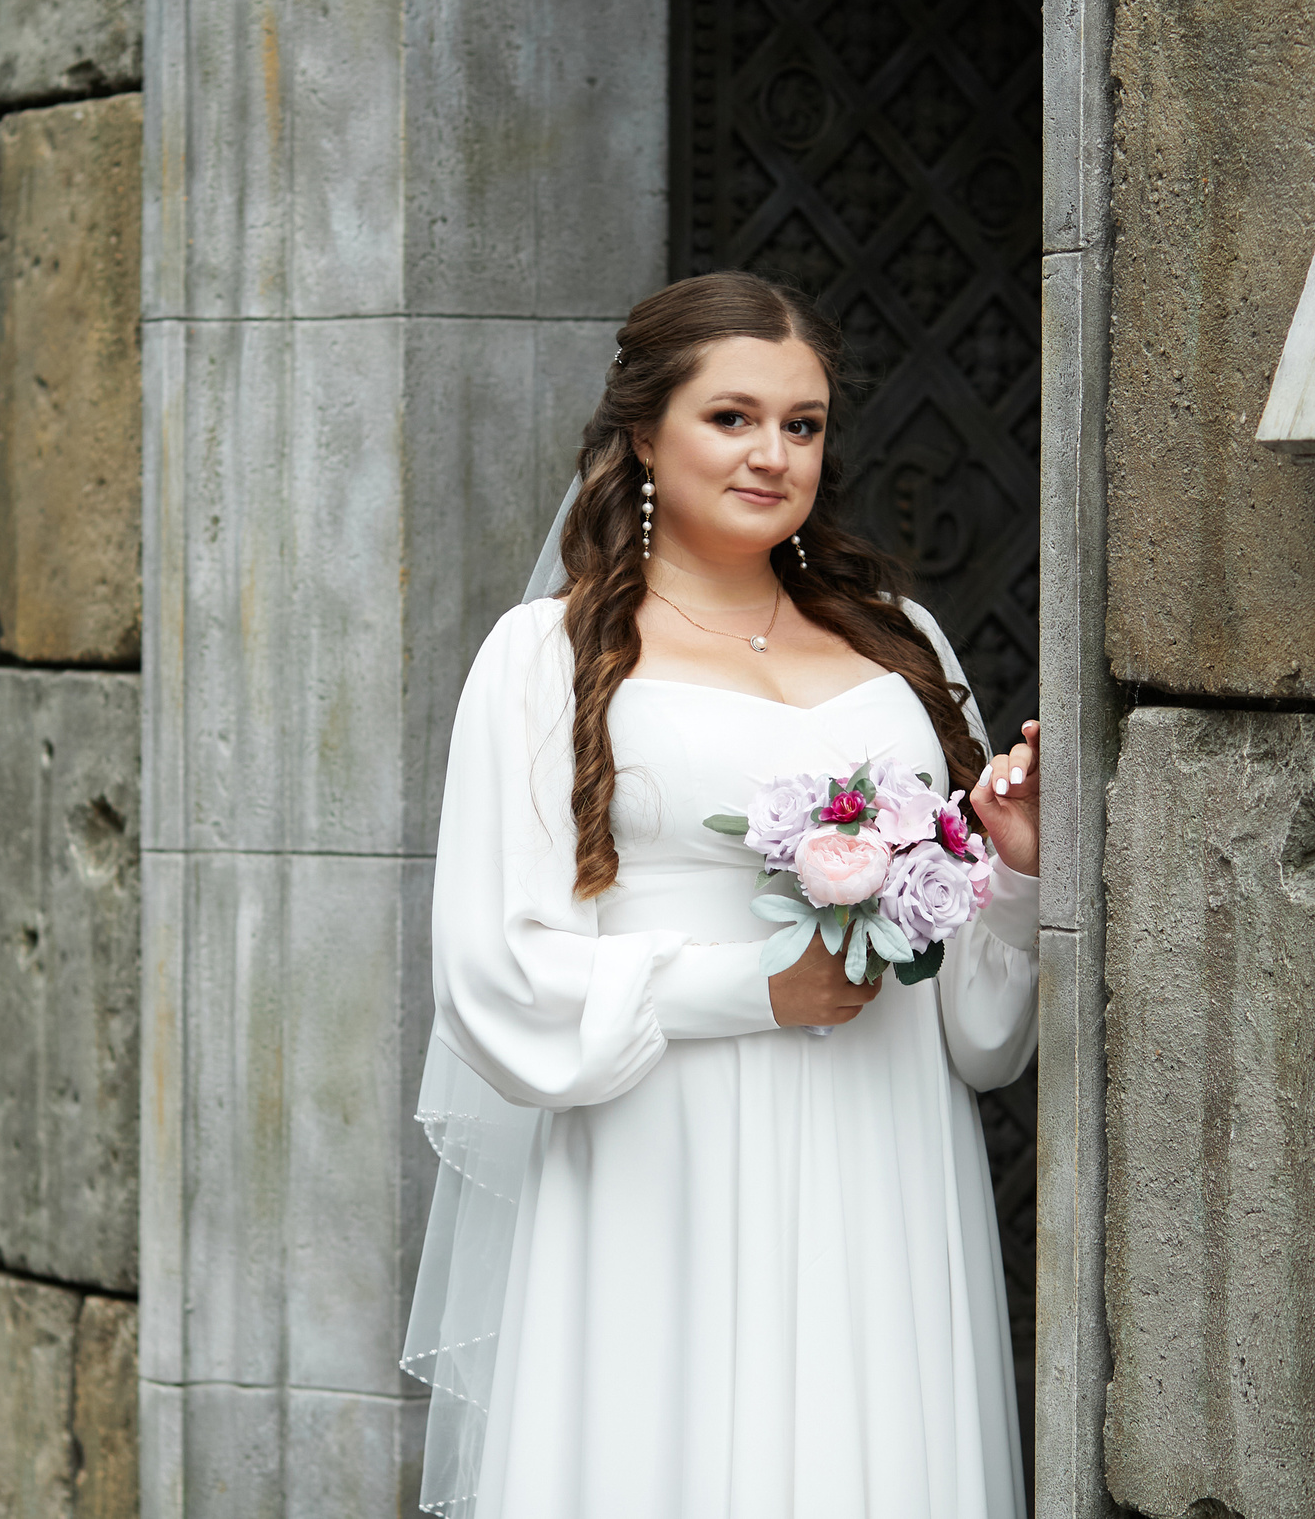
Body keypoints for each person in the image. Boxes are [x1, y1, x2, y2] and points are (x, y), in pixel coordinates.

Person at [403, 272, 1042, 1518]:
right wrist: (752, 989)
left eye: (801, 425)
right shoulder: (548, 657)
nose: (772, 455)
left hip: (888, 1157)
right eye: (732, 418)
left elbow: (980, 1038)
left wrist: (1012, 872)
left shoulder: (898, 645)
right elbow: (496, 976)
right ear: (645, 433)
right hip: (662, 1159)